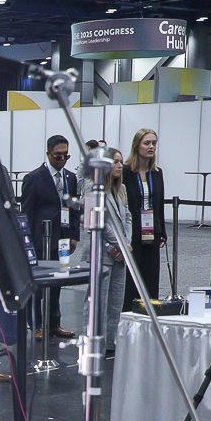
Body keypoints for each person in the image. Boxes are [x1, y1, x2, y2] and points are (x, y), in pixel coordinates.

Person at [20, 135, 81, 338]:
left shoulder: (71, 178)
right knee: (37, 284)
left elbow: (74, 209)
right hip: (40, 240)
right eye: (58, 156)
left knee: (58, 283)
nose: (62, 160)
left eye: (66, 156)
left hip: (62, 240)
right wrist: (26, 242)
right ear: (48, 154)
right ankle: (36, 324)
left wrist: (74, 236)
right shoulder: (33, 178)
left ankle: (54, 323)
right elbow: (26, 213)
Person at [74, 148, 128, 354]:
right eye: (115, 161)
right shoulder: (92, 189)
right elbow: (96, 224)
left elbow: (128, 217)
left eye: (121, 162)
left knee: (115, 303)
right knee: (97, 302)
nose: (119, 165)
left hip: (121, 254)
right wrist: (117, 245)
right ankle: (91, 342)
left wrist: (126, 242)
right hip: (102, 254)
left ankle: (110, 342)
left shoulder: (120, 189)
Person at [123, 128, 166, 309]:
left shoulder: (157, 172)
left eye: (154, 143)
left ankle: (150, 313)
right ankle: (129, 311)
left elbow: (159, 205)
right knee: (132, 275)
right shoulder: (125, 171)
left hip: (151, 231)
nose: (151, 147)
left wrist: (162, 232)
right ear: (137, 146)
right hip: (132, 230)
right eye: (147, 143)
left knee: (151, 274)